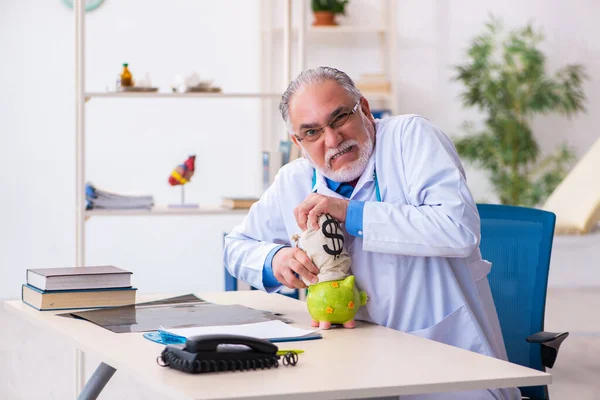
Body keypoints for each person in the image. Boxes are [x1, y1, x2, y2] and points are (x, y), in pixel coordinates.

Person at [223, 66, 519, 400]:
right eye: (312, 132)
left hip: (442, 357)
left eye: (339, 119)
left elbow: (458, 229)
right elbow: (235, 247)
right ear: (298, 141)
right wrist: (274, 258)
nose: (332, 140)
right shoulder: (293, 180)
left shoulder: (411, 138)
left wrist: (350, 213)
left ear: (364, 109)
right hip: (346, 363)